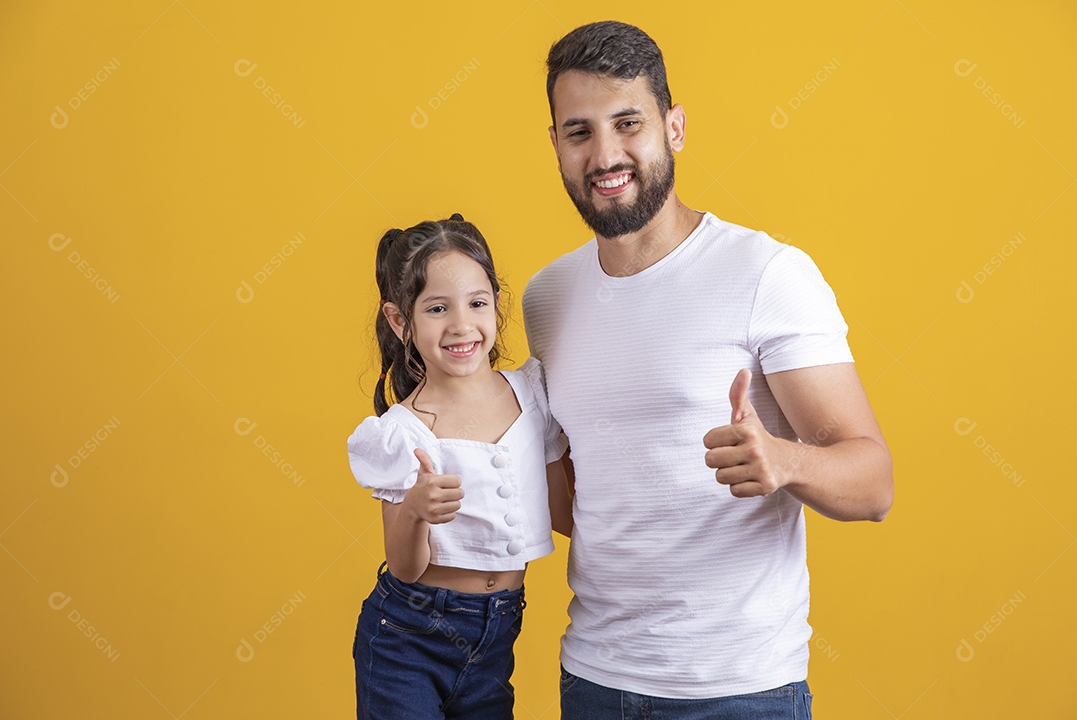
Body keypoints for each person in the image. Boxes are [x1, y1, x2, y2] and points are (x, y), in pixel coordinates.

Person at [522, 21, 894, 719]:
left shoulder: (767, 274)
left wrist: (785, 461)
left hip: (741, 691)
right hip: (594, 680)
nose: (605, 155)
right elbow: (584, 500)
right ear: (556, 145)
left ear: (675, 127)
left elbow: (874, 484)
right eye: (579, 132)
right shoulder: (546, 298)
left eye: (628, 123)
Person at [347, 214, 572, 719]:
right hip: (406, 638)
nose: (461, 325)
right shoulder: (404, 431)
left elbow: (565, 514)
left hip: (497, 635)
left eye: (476, 303)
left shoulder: (531, 396)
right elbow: (404, 567)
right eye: (436, 308)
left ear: (496, 302)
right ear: (400, 321)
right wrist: (414, 510)